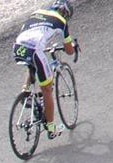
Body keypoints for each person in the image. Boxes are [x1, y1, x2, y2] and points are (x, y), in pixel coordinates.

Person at [12, 1, 79, 139]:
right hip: (34, 50)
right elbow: (69, 51)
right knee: (47, 89)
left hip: (18, 46)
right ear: (65, 13)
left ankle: (25, 91)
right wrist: (73, 45)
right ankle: (52, 128)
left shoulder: (37, 12)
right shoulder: (61, 21)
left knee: (32, 63)